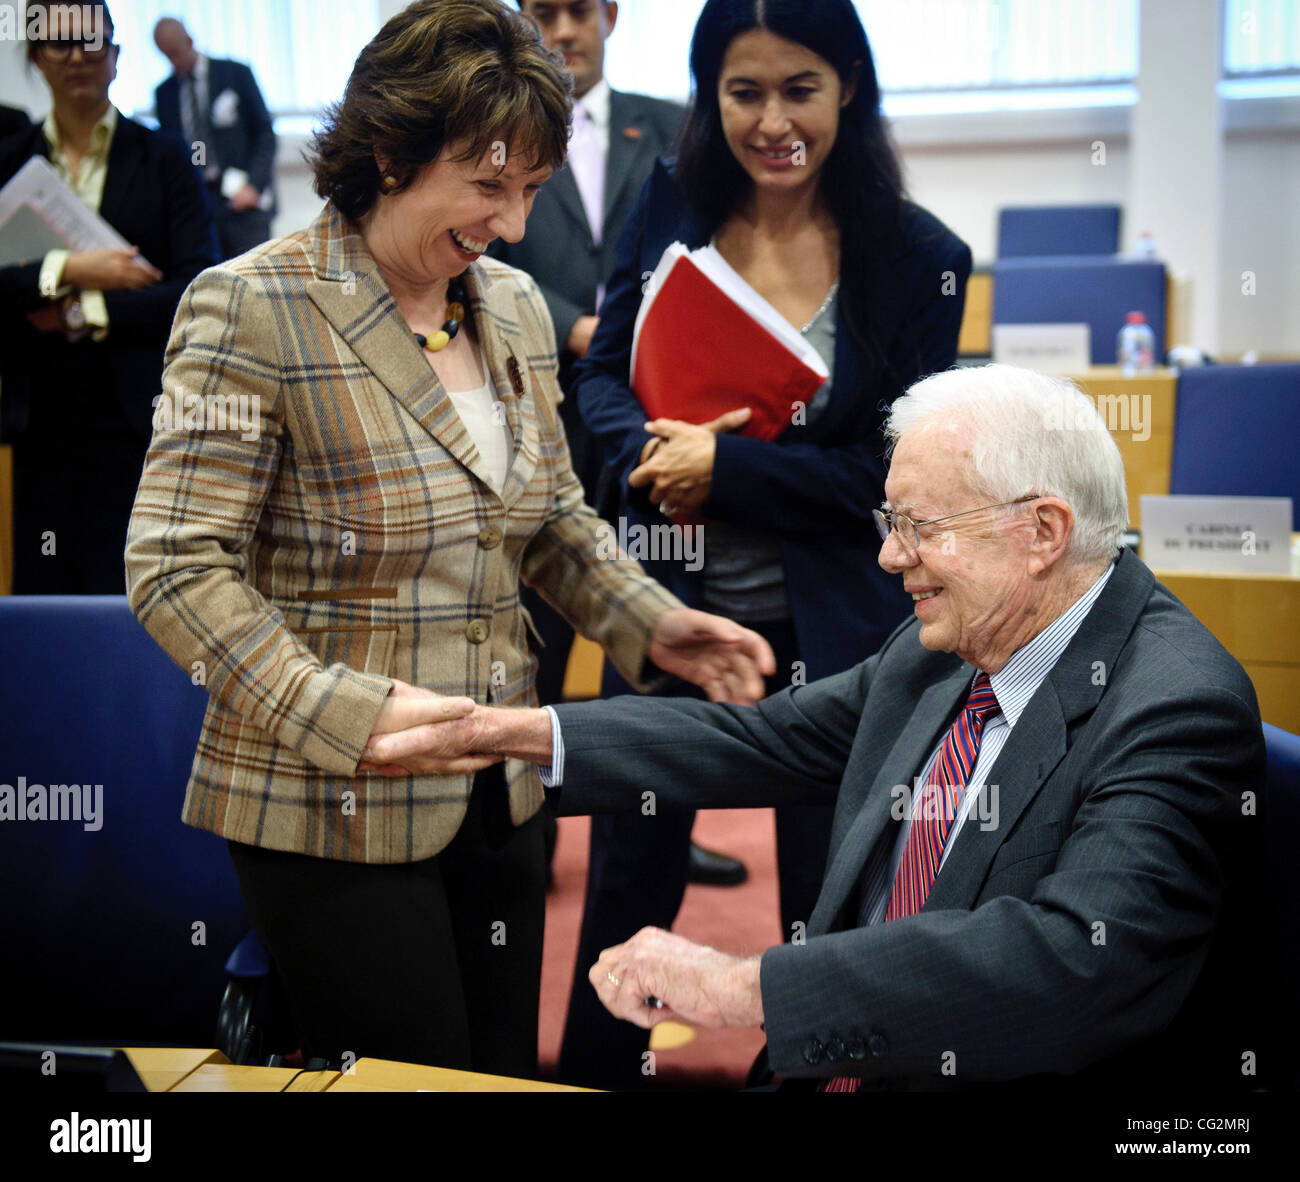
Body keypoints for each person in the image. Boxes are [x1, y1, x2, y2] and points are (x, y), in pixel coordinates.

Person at [125, 0, 773, 1082]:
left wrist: (655, 627)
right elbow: (175, 566)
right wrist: (344, 712)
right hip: (328, 799)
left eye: (531, 190)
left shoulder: (511, 307)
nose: (513, 224)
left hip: (500, 784)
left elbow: (551, 517)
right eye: (488, 185)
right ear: (390, 151)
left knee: (502, 1072)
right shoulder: (253, 307)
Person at [365, 363, 1276, 1092]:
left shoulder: (1173, 707)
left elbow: (1072, 964)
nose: (889, 556)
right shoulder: (943, 648)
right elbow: (758, 741)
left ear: (1042, 531)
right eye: (890, 521)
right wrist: (506, 733)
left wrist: (741, 987)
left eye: (919, 526)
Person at [557, 0, 970, 1088]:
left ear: (848, 89)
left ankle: (801, 1067)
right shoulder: (671, 204)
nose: (772, 120)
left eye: (801, 89)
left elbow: (890, 477)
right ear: (710, 96)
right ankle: (600, 1067)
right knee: (628, 865)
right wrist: (654, 456)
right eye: (744, 92)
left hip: (829, 626)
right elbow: (598, 375)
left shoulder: (918, 257)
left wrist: (726, 470)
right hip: (668, 611)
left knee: (822, 881)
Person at [495, 1, 746, 893]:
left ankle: (657, 838)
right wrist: (578, 330)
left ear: (609, 16)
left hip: (658, 431)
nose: (561, 30)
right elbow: (491, 251)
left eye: (577, 10)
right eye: (542, 12)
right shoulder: (503, 123)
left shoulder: (673, 125)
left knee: (652, 629)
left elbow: (711, 255)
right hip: (541, 414)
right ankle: (531, 844)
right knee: (544, 641)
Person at [0, 1, 218, 594]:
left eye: (91, 42)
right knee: (43, 595)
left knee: (137, 592)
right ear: (36, 58)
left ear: (116, 57)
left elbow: (200, 287)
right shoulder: (10, 158)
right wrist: (68, 265)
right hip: (36, 414)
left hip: (137, 417)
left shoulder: (166, 157)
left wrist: (83, 308)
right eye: (58, 43)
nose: (76, 56)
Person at [152, 16, 276, 259]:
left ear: (189, 41)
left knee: (254, 276)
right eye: (165, 55)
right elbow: (173, 149)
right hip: (201, 202)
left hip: (244, 199)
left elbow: (264, 133)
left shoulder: (234, 73)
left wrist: (254, 185)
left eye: (175, 53)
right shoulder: (165, 93)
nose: (172, 62)